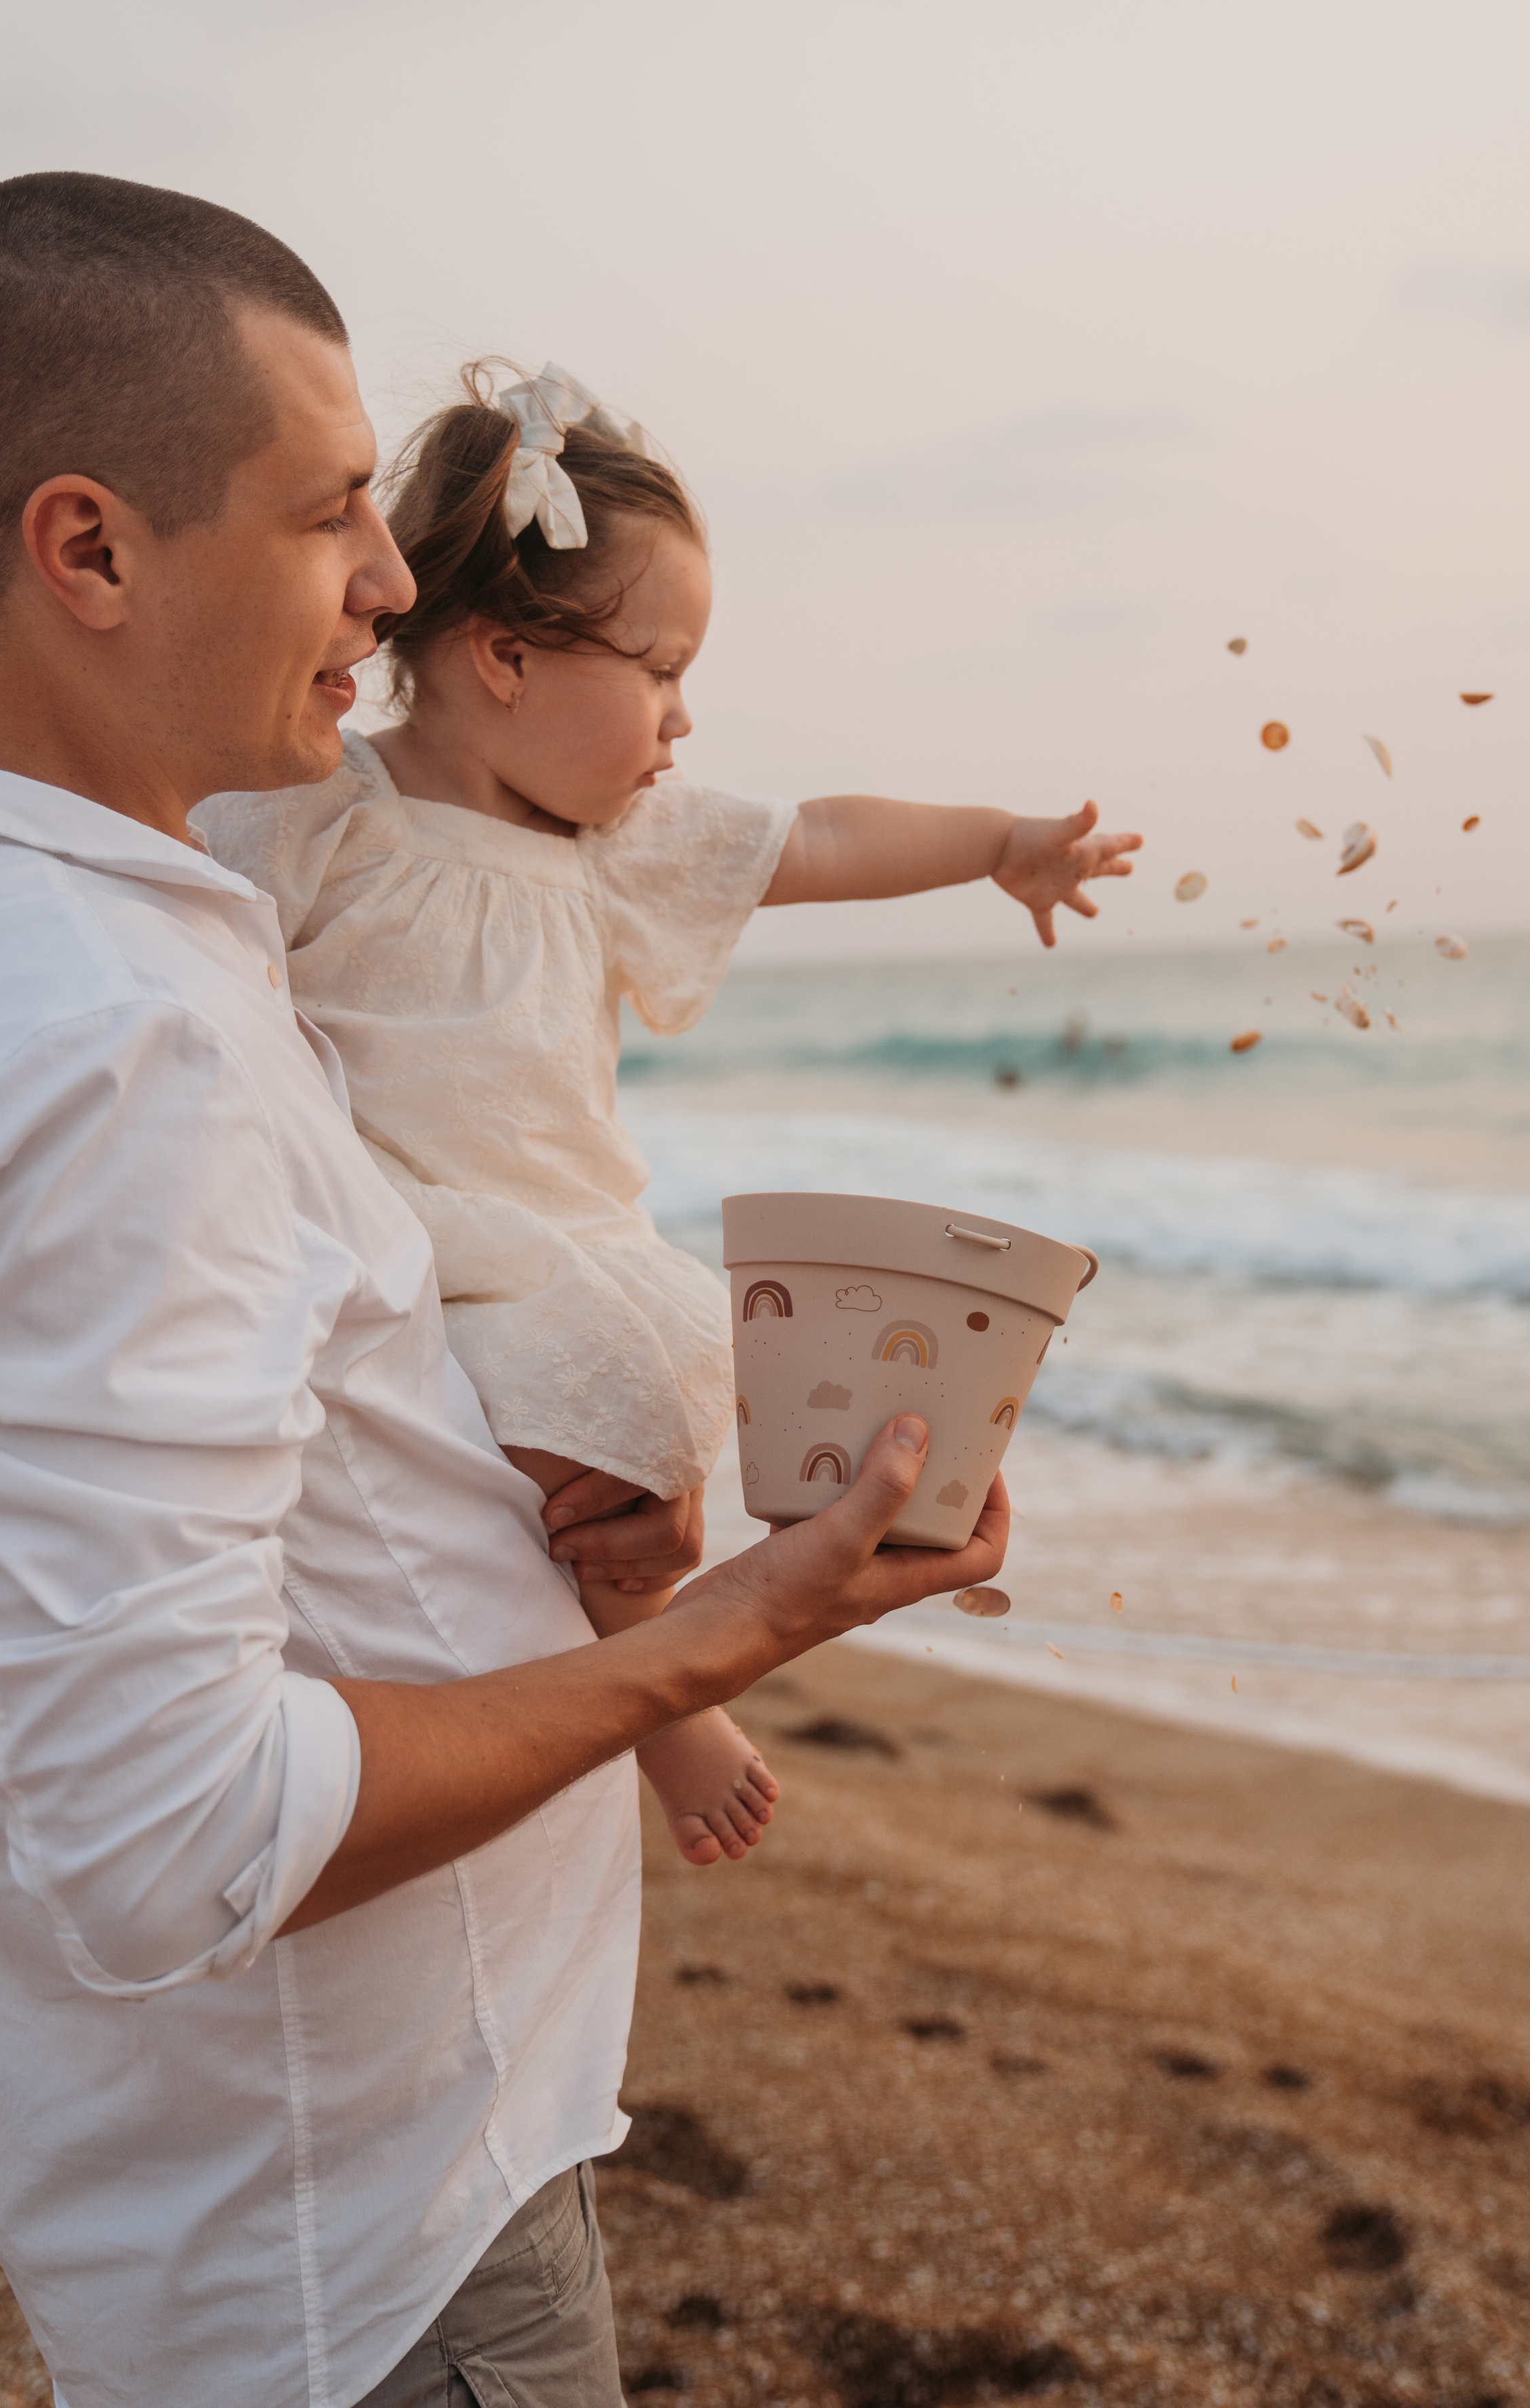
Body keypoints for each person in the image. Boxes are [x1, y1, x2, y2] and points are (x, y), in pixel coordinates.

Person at [0, 173, 1008, 2408]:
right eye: (332, 519)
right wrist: (714, 1641)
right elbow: (174, 1844)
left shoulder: (19, 941)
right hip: (363, 2233)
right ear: (91, 550)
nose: (401, 581)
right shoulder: (114, 1030)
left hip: (232, 2180)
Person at [198, 363, 1140, 1867]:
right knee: (582, 1418)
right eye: (659, 671)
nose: (682, 721)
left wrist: (998, 845)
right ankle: (666, 1704)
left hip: (566, 1234)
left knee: (659, 1393)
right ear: (502, 657)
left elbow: (818, 836)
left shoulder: (619, 842)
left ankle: (717, 1621)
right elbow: (162, 895)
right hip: (406, 1227)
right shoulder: (328, 814)